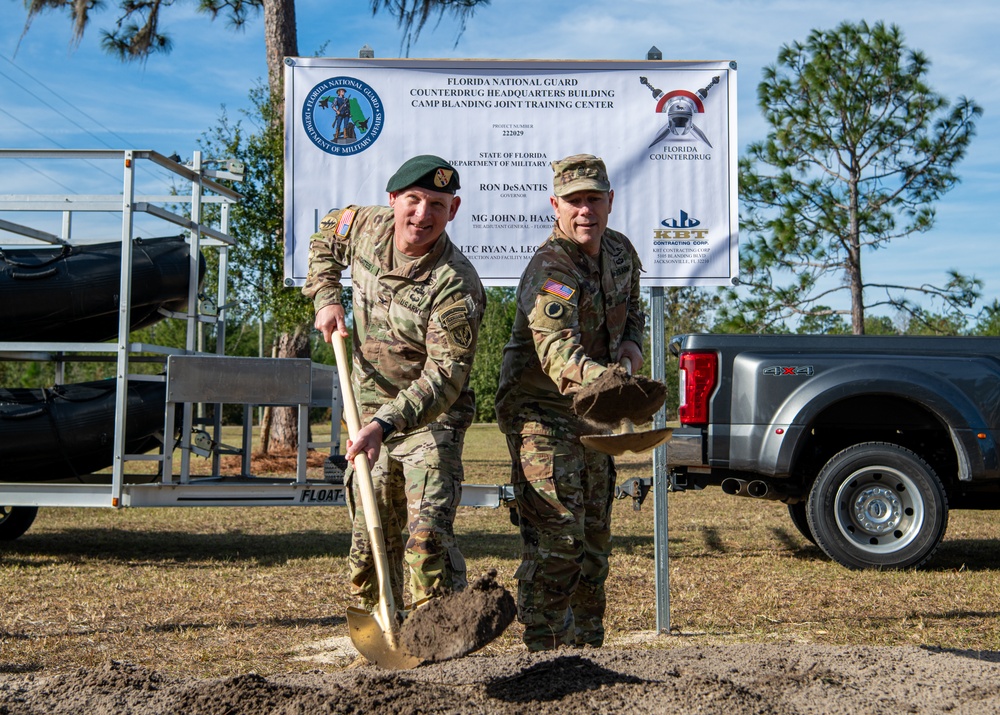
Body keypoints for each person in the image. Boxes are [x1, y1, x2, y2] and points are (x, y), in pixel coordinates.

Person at [303, 154, 485, 614]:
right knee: (369, 536)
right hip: (365, 404)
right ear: (393, 200)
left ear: (454, 210)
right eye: (414, 200)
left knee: (426, 539)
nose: (422, 215)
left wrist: (384, 425)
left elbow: (445, 376)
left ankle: (440, 628)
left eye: (437, 205)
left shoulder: (455, 284)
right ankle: (379, 629)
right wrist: (327, 297)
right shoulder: (365, 225)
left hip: (430, 417)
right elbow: (324, 237)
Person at [495, 154, 645, 651]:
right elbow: (560, 355)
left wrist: (633, 346)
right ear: (555, 204)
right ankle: (543, 653)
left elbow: (633, 309)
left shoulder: (621, 253)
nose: (585, 211)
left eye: (594, 199)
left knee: (595, 544)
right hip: (541, 413)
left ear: (610, 202)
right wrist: (616, 383)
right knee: (559, 540)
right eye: (574, 201)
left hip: (593, 415)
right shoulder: (550, 268)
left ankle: (587, 652)